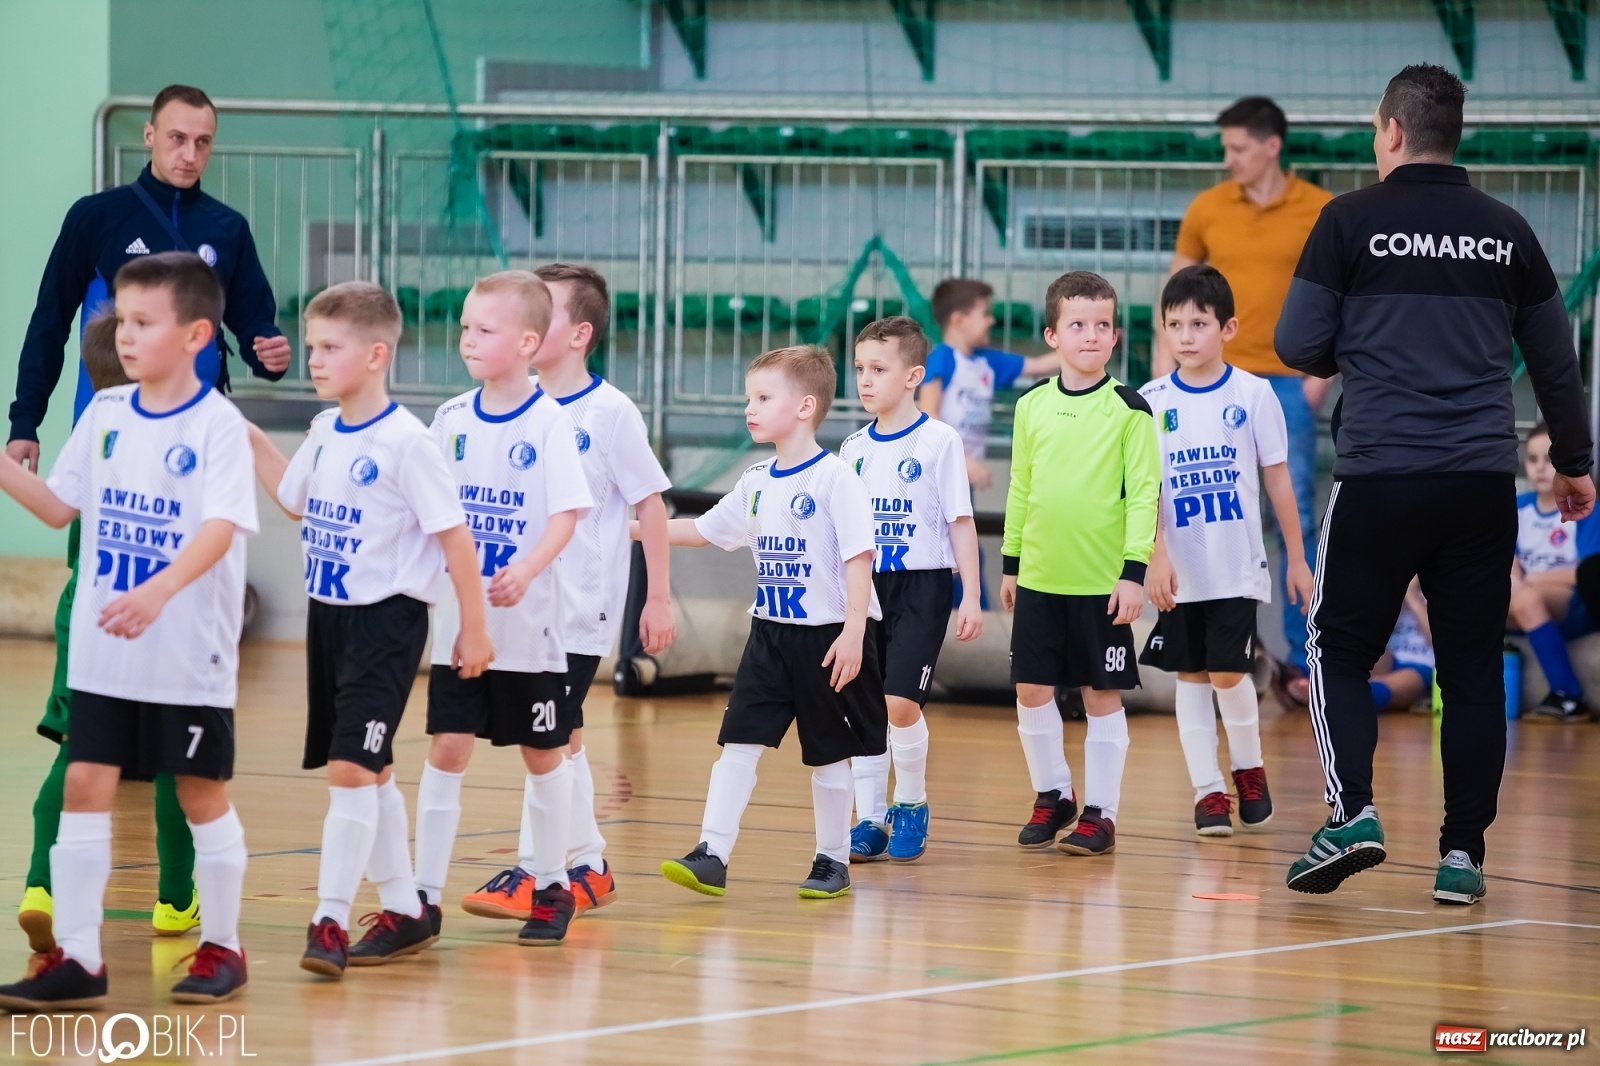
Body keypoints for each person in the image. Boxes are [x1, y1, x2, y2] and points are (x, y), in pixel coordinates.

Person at [1276, 64, 1595, 906]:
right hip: (1480, 481)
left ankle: (1353, 816)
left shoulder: (1348, 220)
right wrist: (1573, 465)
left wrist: (1372, 337)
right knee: (1470, 665)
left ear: (1388, 132)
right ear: (1457, 135)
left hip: (1381, 473)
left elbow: (1298, 344)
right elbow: (1559, 367)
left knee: (1334, 649)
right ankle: (1462, 857)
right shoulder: (1508, 231)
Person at [0, 252, 256, 1009]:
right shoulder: (105, 416)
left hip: (186, 650)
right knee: (84, 782)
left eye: (143, 321)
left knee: (199, 793)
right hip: (106, 648)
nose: (123, 334)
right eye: (119, 318)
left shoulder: (217, 426)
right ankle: (79, 958)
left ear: (196, 334)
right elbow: (56, 508)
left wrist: (159, 590)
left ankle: (224, 947)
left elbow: (220, 527)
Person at [246, 282, 494, 976]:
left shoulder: (409, 444)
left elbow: (456, 542)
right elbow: (293, 500)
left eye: (330, 348)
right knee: (372, 768)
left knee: (351, 766)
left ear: (376, 353)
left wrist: (472, 630)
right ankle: (406, 910)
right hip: (328, 619)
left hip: (387, 623)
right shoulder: (325, 433)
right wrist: (249, 435)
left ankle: (327, 918)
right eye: (314, 346)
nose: (314, 361)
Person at [459, 263, 674, 923]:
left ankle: (535, 871)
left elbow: (653, 504)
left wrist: (658, 597)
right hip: (521, 609)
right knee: (565, 738)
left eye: (541, 311)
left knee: (544, 738)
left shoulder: (608, 413)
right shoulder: (507, 408)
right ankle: (589, 863)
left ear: (578, 333)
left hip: (580, 611)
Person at [655, 345, 886, 899]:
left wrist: (854, 632)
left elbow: (860, 558)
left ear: (806, 406)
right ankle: (712, 852)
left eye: (763, 398)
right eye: (748, 398)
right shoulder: (757, 480)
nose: (750, 409)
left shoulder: (836, 479)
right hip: (769, 636)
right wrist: (635, 527)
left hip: (829, 636)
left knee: (830, 753)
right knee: (738, 745)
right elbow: (703, 530)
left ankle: (833, 860)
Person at [408, 272, 593, 947]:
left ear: (526, 341)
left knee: (544, 756)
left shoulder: (550, 424)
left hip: (529, 630)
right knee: (447, 747)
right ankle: (421, 899)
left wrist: (527, 567)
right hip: (460, 626)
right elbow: (430, 512)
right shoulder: (450, 420)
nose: (467, 340)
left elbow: (567, 515)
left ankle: (551, 886)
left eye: (483, 330)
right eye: (464, 328)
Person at [15, 313, 202, 968]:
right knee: (175, 763)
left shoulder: (92, 431)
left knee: (79, 754)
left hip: (85, 613)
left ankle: (40, 883)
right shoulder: (181, 437)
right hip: (159, 616)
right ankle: (175, 898)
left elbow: (51, 507)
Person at [7, 84, 290, 473]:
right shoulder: (95, 217)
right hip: (107, 424)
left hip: (195, 430)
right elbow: (50, 321)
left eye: (203, 142)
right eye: (178, 138)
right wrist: (25, 420)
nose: (190, 155)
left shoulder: (228, 228)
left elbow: (255, 324)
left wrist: (269, 357)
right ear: (149, 135)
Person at [1163, 97, 1334, 690]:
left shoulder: (1319, 209)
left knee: (1297, 517)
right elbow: (1175, 294)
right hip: (1208, 387)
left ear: (1271, 146)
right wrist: (1162, 384)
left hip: (1287, 387)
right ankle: (1228, 650)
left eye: (1237, 148)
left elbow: (1347, 295)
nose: (1228, 159)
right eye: (1225, 148)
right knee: (1208, 511)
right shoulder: (1207, 208)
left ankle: (1303, 659)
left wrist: (1318, 380)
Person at [1138, 266, 1312, 838]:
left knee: (1227, 673)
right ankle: (1208, 792)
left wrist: (1297, 556)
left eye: (1199, 323)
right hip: (1176, 568)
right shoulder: (1149, 401)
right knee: (1189, 676)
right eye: (1174, 325)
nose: (1185, 335)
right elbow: (1144, 491)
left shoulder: (1254, 393)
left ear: (1228, 328)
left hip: (1236, 565)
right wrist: (1155, 554)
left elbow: (1280, 481)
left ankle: (1248, 767)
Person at [1002, 271, 1160, 858]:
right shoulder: (1031, 407)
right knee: (1031, 690)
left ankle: (1101, 811)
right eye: (1077, 325)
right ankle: (1053, 796)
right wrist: (1012, 562)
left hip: (1102, 584)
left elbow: (1146, 495)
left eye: (1102, 326)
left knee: (1101, 694)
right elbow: (1021, 488)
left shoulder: (1129, 409)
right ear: (1053, 335)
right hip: (1041, 577)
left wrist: (1134, 572)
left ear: (1115, 337)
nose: (1090, 336)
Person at [840, 317, 983, 863]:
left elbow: (960, 521)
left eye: (879, 369)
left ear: (913, 375)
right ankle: (870, 818)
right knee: (863, 708)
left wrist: (970, 594)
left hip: (922, 584)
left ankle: (912, 803)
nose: (866, 380)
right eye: (860, 369)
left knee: (900, 703)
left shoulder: (939, 440)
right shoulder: (852, 448)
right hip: (865, 586)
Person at [919, 279, 1057, 492]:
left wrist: (1086, 346)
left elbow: (1039, 365)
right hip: (937, 475)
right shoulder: (941, 359)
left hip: (965, 478)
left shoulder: (986, 361)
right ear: (959, 320)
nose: (991, 321)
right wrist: (961, 460)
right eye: (985, 314)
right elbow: (927, 414)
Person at [1509, 423, 1591, 722]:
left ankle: (1569, 694)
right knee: (1481, 597)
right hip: (1521, 598)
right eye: (1533, 460)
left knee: (1525, 597)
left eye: (1550, 459)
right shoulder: (1516, 508)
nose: (1541, 468)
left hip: (1573, 605)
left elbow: (1587, 573)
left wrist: (1530, 580)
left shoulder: (1584, 507)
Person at [1370, 581, 1434, 712]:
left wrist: (1412, 597)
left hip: (1423, 664)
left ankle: (1360, 696)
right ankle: (1348, 691)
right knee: (1367, 639)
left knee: (1404, 679)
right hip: (1390, 657)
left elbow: (1438, 640)